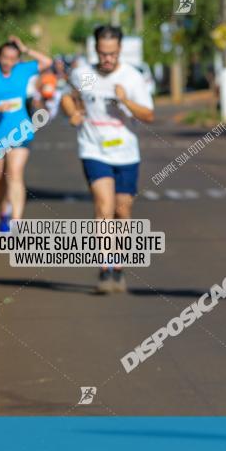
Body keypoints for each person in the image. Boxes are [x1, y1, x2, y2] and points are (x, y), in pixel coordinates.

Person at [62, 25, 154, 294]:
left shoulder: (132, 78)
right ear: (96, 50)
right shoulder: (87, 75)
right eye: (103, 53)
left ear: (120, 50)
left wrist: (126, 102)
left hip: (126, 152)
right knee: (103, 205)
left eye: (112, 54)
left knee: (122, 210)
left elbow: (148, 115)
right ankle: (105, 267)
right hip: (93, 148)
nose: (107, 59)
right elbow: (72, 97)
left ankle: (119, 265)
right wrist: (73, 113)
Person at [0, 36, 52, 232]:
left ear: (17, 58)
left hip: (20, 132)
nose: (8, 62)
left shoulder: (23, 70)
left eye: (13, 58)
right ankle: (4, 210)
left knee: (14, 174)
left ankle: (16, 221)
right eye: (5, 57)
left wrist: (25, 48)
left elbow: (47, 62)